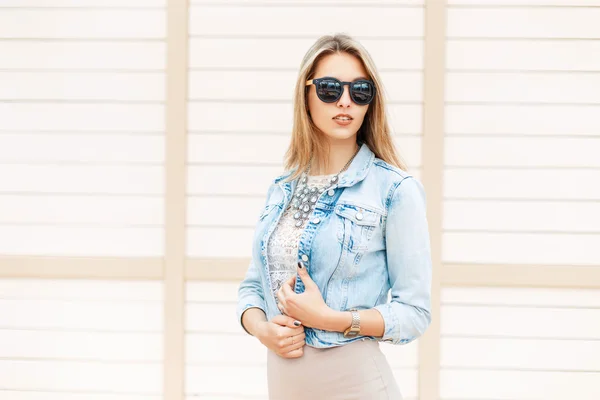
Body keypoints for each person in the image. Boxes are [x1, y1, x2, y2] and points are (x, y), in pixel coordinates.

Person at [236, 33, 432, 400]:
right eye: (329, 88)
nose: (345, 101)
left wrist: (332, 320)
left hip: (357, 385)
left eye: (360, 91)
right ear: (306, 95)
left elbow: (414, 312)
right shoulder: (283, 188)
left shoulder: (395, 191)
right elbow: (251, 288)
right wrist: (262, 330)